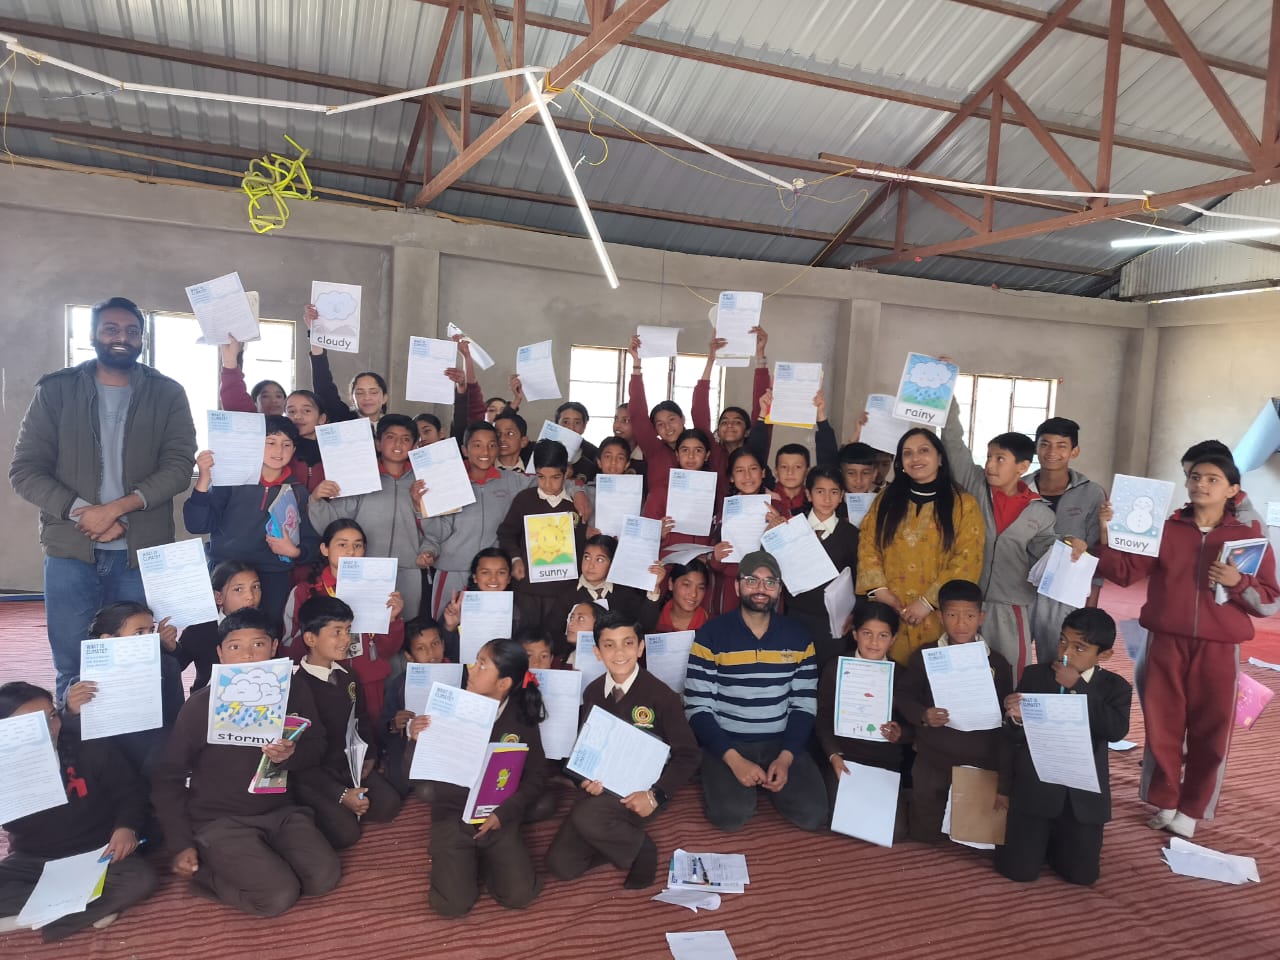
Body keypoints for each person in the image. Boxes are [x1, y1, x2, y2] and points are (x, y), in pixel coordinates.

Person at [10, 295, 196, 703]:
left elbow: (179, 467)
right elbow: (25, 471)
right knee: (72, 662)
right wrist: (83, 513)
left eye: (132, 331)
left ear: (142, 339)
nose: (121, 338)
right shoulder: (56, 391)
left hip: (138, 554)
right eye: (111, 329)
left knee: (135, 660)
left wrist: (114, 509)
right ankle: (74, 742)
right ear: (93, 335)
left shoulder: (167, 393)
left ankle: (130, 742)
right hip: (70, 551)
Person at [1096, 451, 1278, 838]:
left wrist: (1237, 582)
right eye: (1195, 477)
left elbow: (1269, 601)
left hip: (1218, 647)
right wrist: (1107, 534)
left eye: (1212, 479)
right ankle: (1165, 800)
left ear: (1232, 489)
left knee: (1211, 730)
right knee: (1162, 725)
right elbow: (1125, 573)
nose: (1201, 485)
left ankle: (1193, 809)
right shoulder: (1167, 530)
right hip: (1164, 642)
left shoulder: (1248, 537)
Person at [150, 609, 340, 917]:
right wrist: (180, 843)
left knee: (323, 879)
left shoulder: (294, 690)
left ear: (274, 647)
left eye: (258, 644)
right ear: (220, 654)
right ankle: (207, 874)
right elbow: (168, 777)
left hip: (280, 811)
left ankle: (259, 856)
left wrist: (292, 755)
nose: (248, 656)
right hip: (220, 819)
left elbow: (317, 746)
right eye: (235, 647)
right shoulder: (200, 705)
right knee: (277, 896)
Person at [546, 611, 700, 888]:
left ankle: (642, 850)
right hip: (602, 789)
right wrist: (583, 780)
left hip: (643, 792)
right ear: (597, 652)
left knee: (586, 816)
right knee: (561, 865)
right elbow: (584, 747)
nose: (619, 653)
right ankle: (615, 840)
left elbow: (689, 755)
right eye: (609, 645)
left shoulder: (662, 696)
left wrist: (655, 796)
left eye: (628, 643)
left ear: (640, 648)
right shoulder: (593, 692)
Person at [0, 682, 157, 942]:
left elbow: (129, 790)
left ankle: (39, 915)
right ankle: (91, 905)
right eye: (32, 724)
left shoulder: (86, 743)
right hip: (33, 858)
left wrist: (126, 827)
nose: (50, 728)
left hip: (98, 853)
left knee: (140, 880)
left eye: (52, 716)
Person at [684, 551, 826, 833]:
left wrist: (786, 758)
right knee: (730, 817)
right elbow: (697, 707)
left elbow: (804, 704)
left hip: (780, 741)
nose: (761, 588)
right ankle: (738, 779)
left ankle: (768, 779)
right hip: (729, 741)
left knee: (814, 815)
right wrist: (734, 760)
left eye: (770, 582)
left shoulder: (798, 637)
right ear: (737, 587)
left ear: (779, 590)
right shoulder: (711, 635)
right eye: (752, 580)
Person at [406, 638, 547, 917]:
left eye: (483, 665)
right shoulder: (448, 709)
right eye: (476, 661)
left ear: (503, 683)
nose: (472, 669)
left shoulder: (521, 718)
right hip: (453, 816)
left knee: (520, 895)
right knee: (452, 905)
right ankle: (460, 859)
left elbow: (537, 777)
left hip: (497, 817)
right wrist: (414, 740)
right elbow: (411, 777)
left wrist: (504, 814)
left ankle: (483, 859)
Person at [996, 608, 1131, 886]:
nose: (1065, 652)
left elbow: (1115, 731)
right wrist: (1015, 718)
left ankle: (1058, 843)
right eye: (1062, 641)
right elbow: (1014, 736)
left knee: (1082, 876)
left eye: (1079, 647)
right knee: (1018, 871)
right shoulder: (1035, 675)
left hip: (1081, 797)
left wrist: (1078, 687)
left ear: (1104, 655)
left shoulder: (1115, 687)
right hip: (1037, 789)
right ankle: (1039, 842)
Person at [941, 396, 1056, 681]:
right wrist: (947, 396)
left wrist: (1070, 546)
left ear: (1022, 467)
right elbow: (953, 443)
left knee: (1009, 676)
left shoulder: (1040, 513)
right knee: (959, 675)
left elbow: (1048, 556)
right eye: (989, 457)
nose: (990, 465)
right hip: (967, 603)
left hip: (1010, 607)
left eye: (1000, 459)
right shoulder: (975, 486)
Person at [895, 579, 1013, 843]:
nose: (961, 624)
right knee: (925, 836)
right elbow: (904, 695)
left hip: (979, 762)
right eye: (952, 615)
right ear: (940, 616)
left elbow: (1006, 717)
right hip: (933, 758)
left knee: (977, 841)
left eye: (969, 616)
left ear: (981, 617)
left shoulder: (997, 663)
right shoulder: (925, 656)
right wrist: (924, 715)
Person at [856, 428, 985, 666]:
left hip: (937, 613)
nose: (915, 458)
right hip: (890, 608)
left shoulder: (963, 504)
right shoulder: (886, 499)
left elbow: (968, 558)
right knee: (891, 679)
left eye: (924, 451)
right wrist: (880, 590)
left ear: (940, 457)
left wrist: (927, 602)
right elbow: (867, 544)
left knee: (932, 678)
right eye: (908, 453)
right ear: (901, 462)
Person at [183, 415, 320, 629]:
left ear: (294, 450)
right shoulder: (230, 481)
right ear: (255, 445)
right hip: (227, 571)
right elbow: (197, 525)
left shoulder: (297, 492)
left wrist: (295, 552)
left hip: (272, 576)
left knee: (267, 633)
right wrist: (204, 478)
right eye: (270, 442)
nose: (279, 451)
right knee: (222, 633)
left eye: (286, 445)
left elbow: (312, 542)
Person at [292, 596, 402, 849]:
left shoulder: (349, 676)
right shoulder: (297, 688)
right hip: (316, 776)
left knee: (389, 805)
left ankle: (345, 806)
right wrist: (341, 795)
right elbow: (300, 760)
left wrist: (369, 756)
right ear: (310, 639)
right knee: (346, 833)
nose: (346, 639)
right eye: (337, 632)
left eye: (348, 630)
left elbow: (361, 718)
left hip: (348, 767)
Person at [281, 518, 405, 721]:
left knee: (368, 734)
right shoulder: (306, 591)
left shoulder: (379, 590)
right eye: (342, 545)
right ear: (324, 549)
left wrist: (392, 621)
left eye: (358, 545)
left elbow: (387, 650)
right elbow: (289, 646)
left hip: (368, 680)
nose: (351, 551)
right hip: (322, 681)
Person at [308, 414, 428, 619]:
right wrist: (316, 500)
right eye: (390, 437)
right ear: (378, 443)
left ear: (414, 446)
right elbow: (333, 525)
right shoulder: (360, 477)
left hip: (408, 569)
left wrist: (428, 550)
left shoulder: (423, 480)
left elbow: (435, 525)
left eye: (406, 439)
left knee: (404, 625)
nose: (398, 444)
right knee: (362, 626)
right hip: (363, 570)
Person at [420, 421, 533, 618]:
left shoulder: (513, 481)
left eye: (492, 445)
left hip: (492, 576)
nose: (485, 451)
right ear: (464, 450)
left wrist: (579, 490)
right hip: (453, 571)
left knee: (488, 630)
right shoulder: (447, 481)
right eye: (477, 445)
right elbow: (436, 531)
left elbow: (551, 481)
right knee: (447, 626)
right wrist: (420, 506)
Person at [815, 601, 909, 834]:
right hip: (844, 759)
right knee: (840, 822)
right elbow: (823, 717)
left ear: (893, 639)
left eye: (883, 635)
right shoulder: (836, 667)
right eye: (867, 633)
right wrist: (834, 755)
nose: (874, 642)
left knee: (894, 832)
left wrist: (901, 733)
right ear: (855, 634)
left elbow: (913, 726)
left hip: (884, 761)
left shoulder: (901, 675)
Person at [1025, 416, 1106, 665]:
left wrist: (1091, 604)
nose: (1052, 452)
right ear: (1036, 448)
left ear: (1074, 451)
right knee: (1013, 659)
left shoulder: (1091, 493)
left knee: (1060, 663)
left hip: (1065, 594)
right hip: (1020, 589)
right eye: (1045, 444)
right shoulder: (1019, 488)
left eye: (1061, 446)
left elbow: (1096, 551)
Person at [497, 439, 589, 631]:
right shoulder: (525, 500)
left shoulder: (577, 504)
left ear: (566, 473)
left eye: (555, 477)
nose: (547, 484)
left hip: (564, 591)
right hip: (527, 590)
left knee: (556, 639)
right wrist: (515, 559)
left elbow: (583, 545)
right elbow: (506, 533)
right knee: (526, 639)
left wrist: (586, 534)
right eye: (541, 477)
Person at [775, 465, 859, 667]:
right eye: (820, 491)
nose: (827, 499)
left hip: (834, 624)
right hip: (795, 616)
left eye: (834, 492)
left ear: (842, 496)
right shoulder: (791, 527)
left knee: (828, 673)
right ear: (808, 494)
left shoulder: (851, 534)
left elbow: (861, 579)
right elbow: (773, 566)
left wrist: (856, 614)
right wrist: (773, 533)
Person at [380, 617, 447, 796]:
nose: (431, 653)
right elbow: (383, 730)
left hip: (446, 752)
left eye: (435, 643)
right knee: (417, 789)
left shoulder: (461, 677)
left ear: (443, 644)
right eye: (421, 648)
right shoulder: (399, 685)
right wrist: (394, 724)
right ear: (409, 656)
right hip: (411, 753)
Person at [171, 561, 261, 693]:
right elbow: (174, 668)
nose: (250, 596)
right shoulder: (199, 631)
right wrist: (170, 648)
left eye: (256, 587)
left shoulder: (266, 627)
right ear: (218, 597)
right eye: (238, 589)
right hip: (206, 700)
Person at [303, 303, 388, 426]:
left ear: (384, 398)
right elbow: (324, 386)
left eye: (373, 392)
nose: (367, 398)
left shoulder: (396, 426)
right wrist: (316, 334)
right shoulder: (343, 419)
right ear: (352, 398)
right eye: (359, 392)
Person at [436, 548, 525, 663]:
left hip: (503, 669)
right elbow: (444, 652)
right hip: (465, 670)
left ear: (508, 578)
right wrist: (450, 627)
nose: (493, 579)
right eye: (485, 572)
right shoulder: (459, 604)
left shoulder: (517, 609)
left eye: (501, 573)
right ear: (475, 577)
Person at [574, 533, 661, 633]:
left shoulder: (627, 593)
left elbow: (645, 627)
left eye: (599, 560)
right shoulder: (566, 593)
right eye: (587, 557)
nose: (590, 565)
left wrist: (654, 586)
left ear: (613, 563)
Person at [217, 334, 286, 416]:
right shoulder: (250, 420)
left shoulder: (294, 421)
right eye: (265, 396)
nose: (274, 401)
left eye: (278, 396)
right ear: (254, 402)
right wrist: (230, 360)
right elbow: (233, 395)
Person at [283, 389, 328, 492]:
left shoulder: (334, 453)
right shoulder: (279, 451)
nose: (297, 416)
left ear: (321, 419)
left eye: (306, 411)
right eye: (291, 411)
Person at [654, 559, 711, 634]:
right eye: (686, 585)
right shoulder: (653, 621)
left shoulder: (713, 625)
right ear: (671, 584)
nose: (694, 594)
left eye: (701, 588)